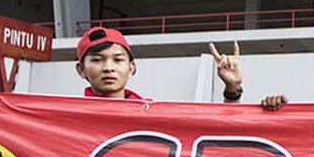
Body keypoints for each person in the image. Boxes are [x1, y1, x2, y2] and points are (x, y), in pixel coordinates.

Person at [77, 26, 243, 102]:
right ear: (81, 70)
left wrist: (232, 90)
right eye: (97, 60)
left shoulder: (153, 114)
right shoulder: (67, 119)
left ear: (131, 68)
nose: (109, 68)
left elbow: (221, 136)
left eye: (118, 59)